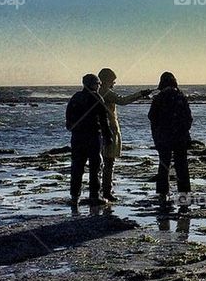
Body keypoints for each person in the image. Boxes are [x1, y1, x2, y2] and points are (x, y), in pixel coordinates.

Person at [97, 67, 151, 202]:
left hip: (101, 130)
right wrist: (140, 94)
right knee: (109, 162)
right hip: (109, 129)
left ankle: (99, 191)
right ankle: (106, 192)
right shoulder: (106, 93)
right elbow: (123, 101)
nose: (114, 84)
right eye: (112, 81)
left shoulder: (98, 92)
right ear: (106, 80)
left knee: (101, 162)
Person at [65, 73, 113, 207]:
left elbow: (68, 117)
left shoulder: (75, 97)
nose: (99, 86)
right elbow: (104, 120)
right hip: (93, 136)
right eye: (98, 84)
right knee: (95, 166)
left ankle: (74, 197)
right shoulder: (96, 97)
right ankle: (94, 196)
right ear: (92, 84)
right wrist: (108, 137)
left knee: (77, 167)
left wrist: (71, 127)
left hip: (77, 137)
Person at [148, 71, 193, 206]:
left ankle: (163, 194)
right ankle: (184, 194)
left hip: (164, 137)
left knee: (163, 165)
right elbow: (188, 117)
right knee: (182, 166)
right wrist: (184, 129)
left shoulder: (159, 97)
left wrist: (158, 131)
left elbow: (151, 116)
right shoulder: (181, 96)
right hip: (180, 137)